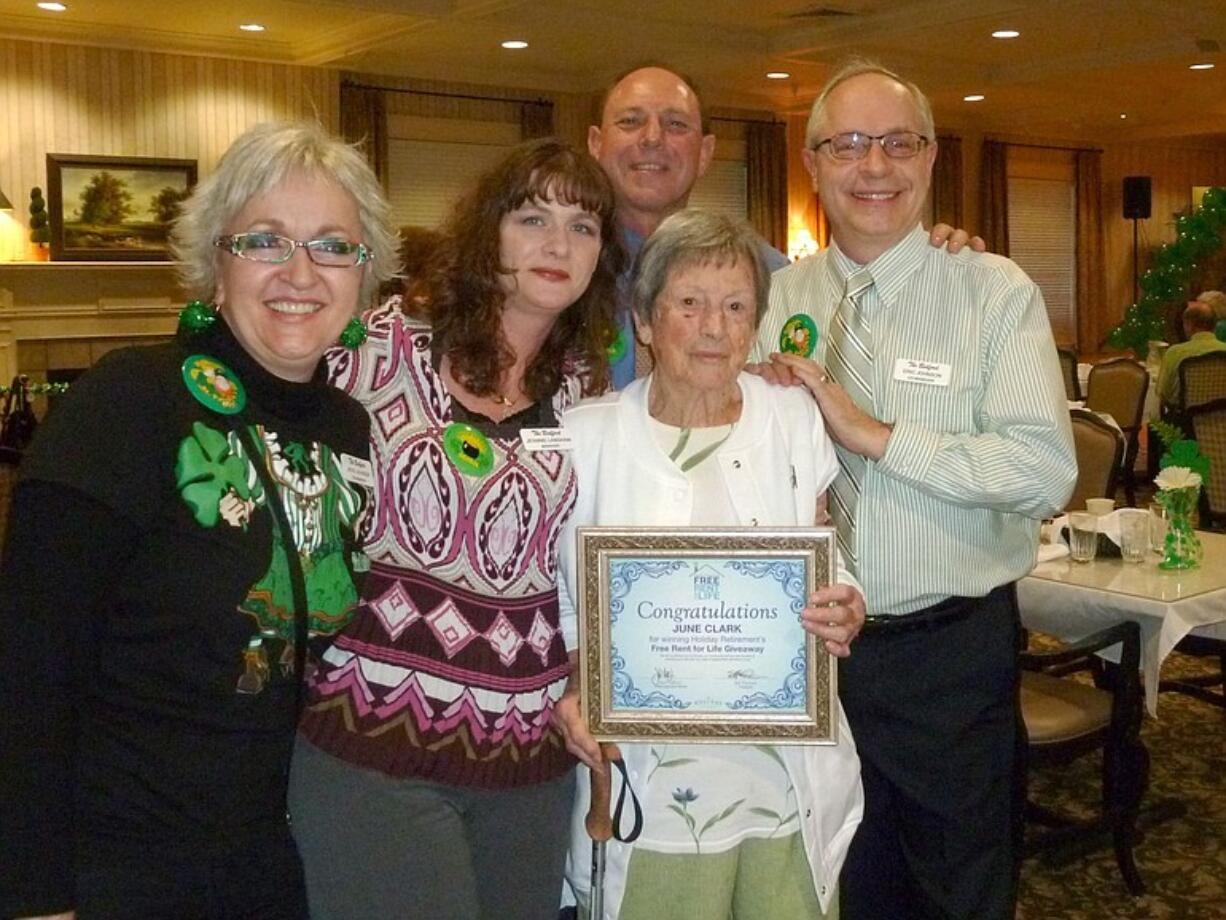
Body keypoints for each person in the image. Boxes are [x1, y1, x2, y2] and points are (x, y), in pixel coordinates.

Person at [0, 119, 400, 919]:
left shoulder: (345, 431)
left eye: (331, 246)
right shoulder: (130, 401)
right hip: (117, 867)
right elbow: (26, 668)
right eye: (264, 241)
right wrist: (34, 896)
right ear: (216, 262)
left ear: (363, 276)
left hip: (269, 863)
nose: (300, 272)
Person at [753, 60, 1076, 919]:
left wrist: (875, 435)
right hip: (813, 657)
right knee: (832, 885)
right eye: (849, 144)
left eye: (899, 143)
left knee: (957, 892)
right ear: (813, 163)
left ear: (931, 158)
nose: (875, 167)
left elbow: (1044, 472)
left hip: (949, 659)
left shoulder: (991, 292)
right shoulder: (772, 299)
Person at [288, 138, 623, 920]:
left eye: (582, 226)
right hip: (377, 745)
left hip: (530, 763)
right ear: (487, 234)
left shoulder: (590, 394)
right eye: (531, 217)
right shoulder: (379, 348)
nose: (556, 243)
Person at [554, 210, 865, 920]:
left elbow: (824, 553)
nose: (715, 328)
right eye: (689, 303)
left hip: (784, 774)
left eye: (735, 307)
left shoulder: (790, 419)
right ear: (643, 320)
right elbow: (563, 603)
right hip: (650, 781)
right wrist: (576, 684)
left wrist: (846, 600)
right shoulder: (585, 438)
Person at [588, 64, 981, 388]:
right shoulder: (559, 270)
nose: (653, 139)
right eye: (630, 122)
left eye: (675, 125)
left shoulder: (770, 275)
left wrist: (923, 256)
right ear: (595, 143)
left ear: (706, 152)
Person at [1157, 293, 1226, 405]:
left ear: (1189, 325)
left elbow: (1163, 394)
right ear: (1214, 324)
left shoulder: (1175, 353)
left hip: (1184, 419)